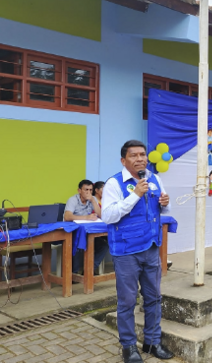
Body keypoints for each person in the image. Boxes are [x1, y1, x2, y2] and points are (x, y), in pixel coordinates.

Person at [101, 140, 173, 362]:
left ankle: (152, 342)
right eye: (134, 155)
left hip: (151, 247)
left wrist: (165, 202)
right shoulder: (114, 183)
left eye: (142, 154)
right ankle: (129, 347)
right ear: (124, 160)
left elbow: (162, 210)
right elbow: (108, 216)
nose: (140, 159)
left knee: (153, 298)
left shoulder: (154, 179)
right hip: (126, 251)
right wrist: (135, 195)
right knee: (127, 301)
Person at [64, 180, 107, 275]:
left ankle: (89, 271)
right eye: (86, 190)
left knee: (103, 246)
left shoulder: (93, 199)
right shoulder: (73, 200)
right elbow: (67, 217)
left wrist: (92, 200)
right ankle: (73, 274)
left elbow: (101, 215)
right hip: (73, 233)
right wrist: (86, 217)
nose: (88, 192)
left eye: (90, 190)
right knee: (78, 244)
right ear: (79, 190)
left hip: (88, 232)